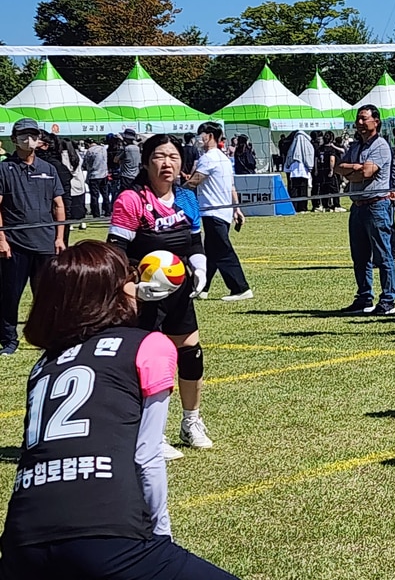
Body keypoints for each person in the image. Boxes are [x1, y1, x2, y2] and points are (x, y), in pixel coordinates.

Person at [0, 241, 239, 580]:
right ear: (110, 292)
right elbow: (147, 455)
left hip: (21, 541)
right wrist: (161, 534)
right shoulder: (148, 345)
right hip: (104, 533)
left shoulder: (44, 364)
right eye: (128, 277)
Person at [109, 135, 213, 459]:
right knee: (149, 362)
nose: (167, 163)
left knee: (190, 353)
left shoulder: (187, 198)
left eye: (173, 156)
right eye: (159, 156)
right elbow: (115, 253)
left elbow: (195, 241)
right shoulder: (131, 200)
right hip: (142, 293)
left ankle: (191, 421)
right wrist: (132, 289)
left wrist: (199, 264)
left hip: (178, 291)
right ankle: (150, 432)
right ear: (145, 162)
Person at [0, 119, 66, 356]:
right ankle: (8, 339)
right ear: (14, 138)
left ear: (39, 139)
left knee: (47, 295)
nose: (28, 140)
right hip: (15, 245)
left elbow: (58, 205)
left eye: (32, 135)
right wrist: (2, 239)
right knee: (9, 296)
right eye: (23, 135)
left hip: (45, 243)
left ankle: (49, 338)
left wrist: (59, 237)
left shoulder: (48, 169)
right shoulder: (4, 169)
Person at [335, 105, 395, 315]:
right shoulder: (355, 147)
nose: (359, 123)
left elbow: (367, 172)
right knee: (360, 257)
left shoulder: (380, 146)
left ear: (376, 121)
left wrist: (353, 170)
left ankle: (388, 300)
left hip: (377, 206)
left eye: (364, 119)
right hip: (358, 206)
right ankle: (364, 298)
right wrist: (355, 169)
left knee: (383, 255)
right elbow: (339, 168)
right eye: (358, 119)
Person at [185, 122, 252, 303]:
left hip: (212, 211)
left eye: (202, 135)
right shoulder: (224, 158)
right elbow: (231, 186)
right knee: (211, 253)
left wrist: (172, 194)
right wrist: (236, 209)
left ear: (210, 136)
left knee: (222, 251)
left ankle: (240, 288)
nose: (199, 139)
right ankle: (202, 288)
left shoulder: (209, 158)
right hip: (223, 212)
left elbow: (193, 182)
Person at [284, 129, 315, 213]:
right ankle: (302, 207)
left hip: (294, 169)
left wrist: (288, 166)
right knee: (303, 189)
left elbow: (289, 156)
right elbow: (309, 155)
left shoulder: (293, 143)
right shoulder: (307, 143)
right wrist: (310, 166)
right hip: (303, 170)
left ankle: (295, 206)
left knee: (294, 188)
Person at [82, 135, 110, 217]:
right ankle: (107, 211)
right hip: (104, 174)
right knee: (105, 194)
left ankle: (96, 213)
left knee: (94, 196)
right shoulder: (103, 149)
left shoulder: (89, 151)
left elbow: (85, 164)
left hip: (94, 176)